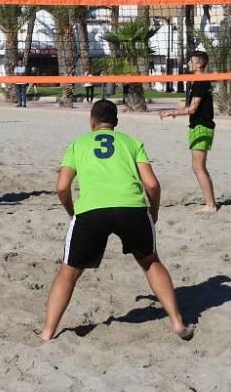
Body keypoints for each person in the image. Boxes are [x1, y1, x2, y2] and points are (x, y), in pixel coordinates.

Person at [40, 100, 194, 342]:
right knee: (150, 262)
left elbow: (61, 187)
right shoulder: (131, 142)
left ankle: (47, 332)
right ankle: (177, 322)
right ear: (116, 123)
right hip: (131, 208)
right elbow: (152, 184)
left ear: (92, 122)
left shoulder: (78, 144)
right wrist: (154, 211)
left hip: (92, 211)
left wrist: (73, 212)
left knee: (68, 271)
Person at [159, 51, 218, 213]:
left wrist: (171, 112)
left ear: (199, 64)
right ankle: (210, 202)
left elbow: (192, 109)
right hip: (199, 126)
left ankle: (211, 205)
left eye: (191, 61)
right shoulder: (199, 81)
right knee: (199, 166)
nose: (188, 64)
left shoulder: (200, 82)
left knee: (198, 166)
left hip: (201, 127)